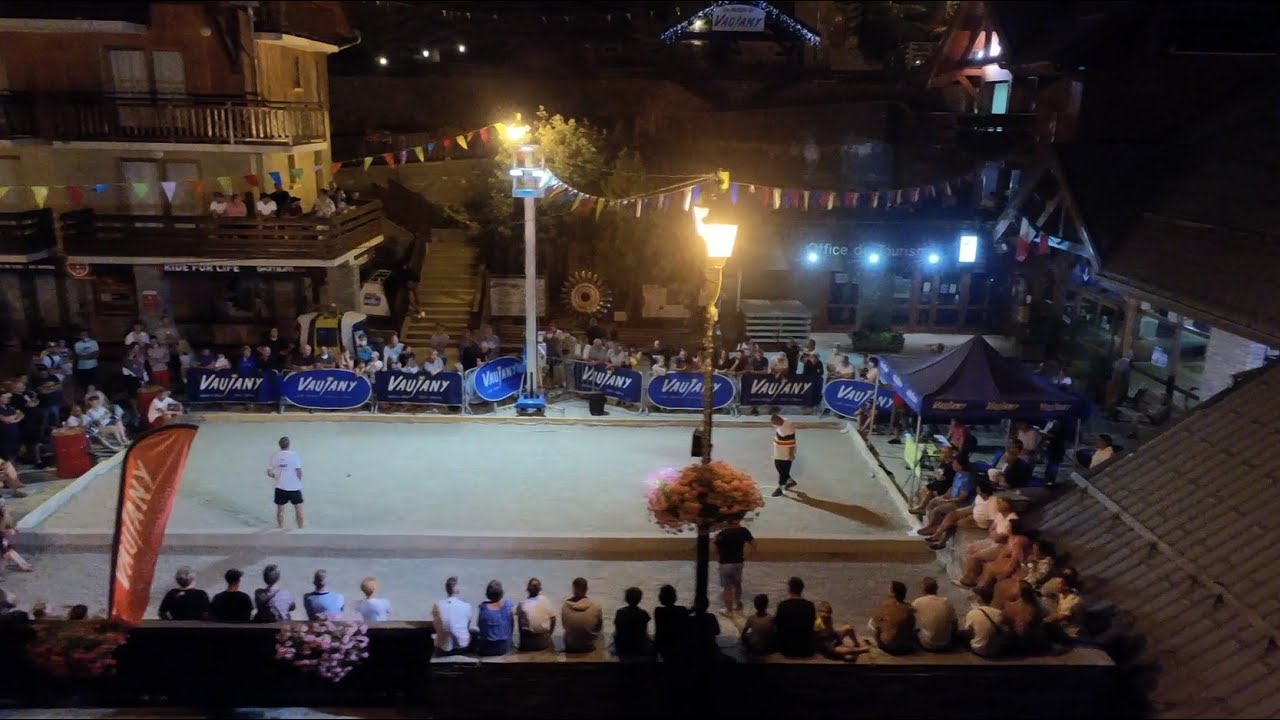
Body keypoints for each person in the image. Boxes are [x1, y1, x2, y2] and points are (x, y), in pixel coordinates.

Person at [714, 519, 755, 614]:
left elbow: (715, 549)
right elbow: (754, 544)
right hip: (738, 562)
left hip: (725, 563)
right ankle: (737, 604)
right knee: (737, 584)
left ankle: (729, 610)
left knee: (727, 587)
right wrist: (746, 556)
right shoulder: (743, 531)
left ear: (727, 522)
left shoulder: (722, 533)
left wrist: (719, 555)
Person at [868, 581, 916, 655]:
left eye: (889, 589)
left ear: (893, 593)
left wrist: (879, 644)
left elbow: (877, 629)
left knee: (872, 622)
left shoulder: (884, 606)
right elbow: (912, 625)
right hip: (904, 646)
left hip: (888, 647)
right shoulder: (910, 608)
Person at [774, 576, 817, 658]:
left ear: (789, 589)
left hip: (786, 649)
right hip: (806, 649)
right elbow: (812, 626)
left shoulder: (783, 605)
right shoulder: (810, 606)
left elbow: (777, 625)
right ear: (802, 589)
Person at [266, 436, 304, 529]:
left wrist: (275, 476)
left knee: (280, 510)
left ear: (280, 445)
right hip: (294, 488)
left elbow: (269, 472)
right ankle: (301, 529)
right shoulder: (294, 455)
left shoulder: (275, 456)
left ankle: (280, 527)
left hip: (280, 487)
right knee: (298, 510)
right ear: (289, 445)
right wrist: (298, 481)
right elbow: (299, 471)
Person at [911, 577, 957, 651]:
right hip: (946, 642)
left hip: (927, 644)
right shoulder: (946, 602)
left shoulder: (918, 602)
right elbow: (955, 623)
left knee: (914, 632)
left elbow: (907, 615)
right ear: (937, 588)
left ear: (923, 589)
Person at [959, 585, 1005, 658]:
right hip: (995, 649)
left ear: (980, 598)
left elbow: (968, 632)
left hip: (979, 650)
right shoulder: (999, 613)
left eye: (975, 595)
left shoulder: (973, 613)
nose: (973, 596)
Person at [561, 577, 603, 653]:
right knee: (601, 634)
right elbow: (599, 627)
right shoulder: (596, 606)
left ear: (574, 589)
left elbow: (564, 626)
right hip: (588, 646)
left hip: (571, 646)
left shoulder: (565, 605)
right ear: (586, 589)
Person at [432, 577, 472, 655]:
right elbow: (467, 626)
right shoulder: (467, 606)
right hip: (462, 647)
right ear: (456, 588)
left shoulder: (437, 605)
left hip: (442, 648)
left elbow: (436, 625)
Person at [474, 580, 515, 656]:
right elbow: (512, 625)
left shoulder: (483, 607)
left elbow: (479, 625)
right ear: (501, 592)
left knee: (473, 632)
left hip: (487, 648)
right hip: (504, 647)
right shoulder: (508, 605)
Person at [516, 577, 556, 651]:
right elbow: (520, 624)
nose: (534, 587)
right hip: (528, 639)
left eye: (536, 585)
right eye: (532, 586)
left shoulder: (545, 600)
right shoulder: (522, 603)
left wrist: (549, 635)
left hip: (543, 638)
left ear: (539, 588)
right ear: (528, 588)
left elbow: (553, 618)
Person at [653, 584, 690, 662]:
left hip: (664, 646)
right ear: (674, 597)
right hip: (679, 646)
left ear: (661, 598)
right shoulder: (682, 610)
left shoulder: (658, 611)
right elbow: (686, 612)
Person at [612, 586, 651, 659]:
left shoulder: (620, 613)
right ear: (640, 599)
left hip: (623, 648)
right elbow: (644, 631)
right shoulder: (644, 613)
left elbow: (618, 629)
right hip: (639, 647)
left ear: (626, 599)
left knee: (612, 636)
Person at [770, 414, 798, 497]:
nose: (774, 425)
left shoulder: (787, 429)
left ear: (779, 421)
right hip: (779, 451)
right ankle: (789, 480)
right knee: (780, 467)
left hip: (785, 453)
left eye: (775, 423)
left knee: (783, 470)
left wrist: (791, 455)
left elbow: (791, 443)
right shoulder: (783, 420)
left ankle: (781, 487)